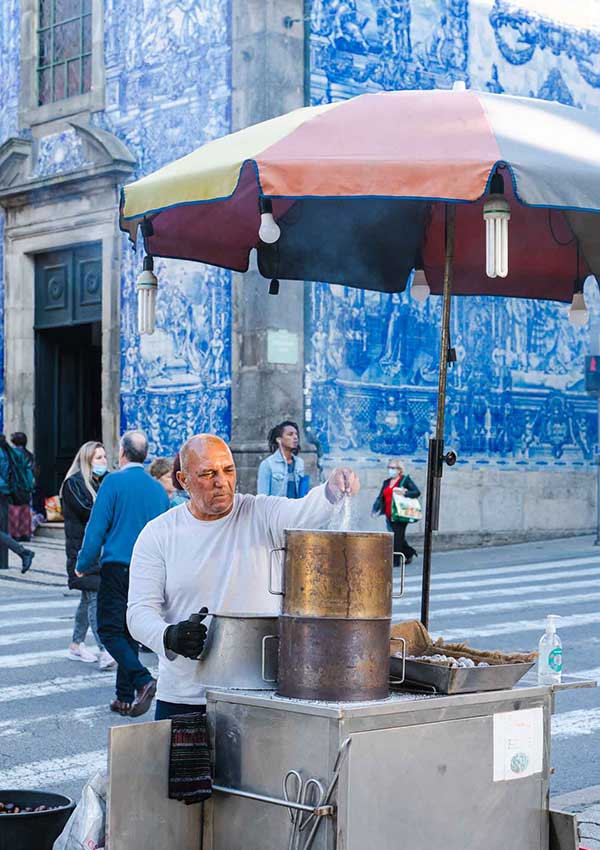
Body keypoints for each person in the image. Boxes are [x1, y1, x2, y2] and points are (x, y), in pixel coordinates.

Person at [127, 434, 359, 720]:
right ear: (183, 480)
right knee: (183, 767)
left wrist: (332, 489)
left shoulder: (260, 513)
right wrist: (169, 636)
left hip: (260, 693)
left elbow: (306, 512)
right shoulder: (158, 533)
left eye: (228, 470)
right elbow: (138, 612)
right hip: (185, 695)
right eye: (208, 473)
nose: (221, 482)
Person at [75, 431, 170, 717]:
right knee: (129, 630)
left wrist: (83, 561)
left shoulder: (113, 482)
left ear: (122, 453)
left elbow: (96, 527)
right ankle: (123, 697)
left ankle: (142, 680)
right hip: (150, 568)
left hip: (119, 566)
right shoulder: (156, 489)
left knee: (108, 629)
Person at [61, 441, 115, 670]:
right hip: (83, 550)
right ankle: (105, 650)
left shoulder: (105, 481)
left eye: (104, 456)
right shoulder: (73, 485)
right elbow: (89, 512)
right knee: (94, 596)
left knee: (87, 598)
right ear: (87, 461)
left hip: (102, 550)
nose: (103, 461)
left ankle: (76, 645)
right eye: (98, 458)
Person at [372, 458, 420, 565]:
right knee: (398, 537)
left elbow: (416, 492)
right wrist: (375, 508)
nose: (390, 470)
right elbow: (381, 497)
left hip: (400, 514)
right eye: (389, 468)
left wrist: (404, 493)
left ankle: (396, 561)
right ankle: (408, 552)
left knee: (397, 537)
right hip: (389, 514)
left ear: (399, 469)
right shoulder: (386, 482)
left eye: (393, 468)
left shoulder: (405, 480)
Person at [0, 435, 35, 573]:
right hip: (5, 494)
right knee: (2, 529)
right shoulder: (7, 450)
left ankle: (23, 552)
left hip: (1, 492)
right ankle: (2, 563)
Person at [257, 421, 306, 498]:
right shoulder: (268, 464)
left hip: (297, 508)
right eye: (290, 434)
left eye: (296, 434)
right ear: (279, 439)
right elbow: (262, 498)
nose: (295, 437)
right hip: (276, 509)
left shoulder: (300, 463)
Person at [9, 433, 34, 541]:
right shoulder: (29, 454)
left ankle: (15, 533)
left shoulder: (12, 454)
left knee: (14, 509)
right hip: (26, 485)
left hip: (15, 484)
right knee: (25, 509)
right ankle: (25, 533)